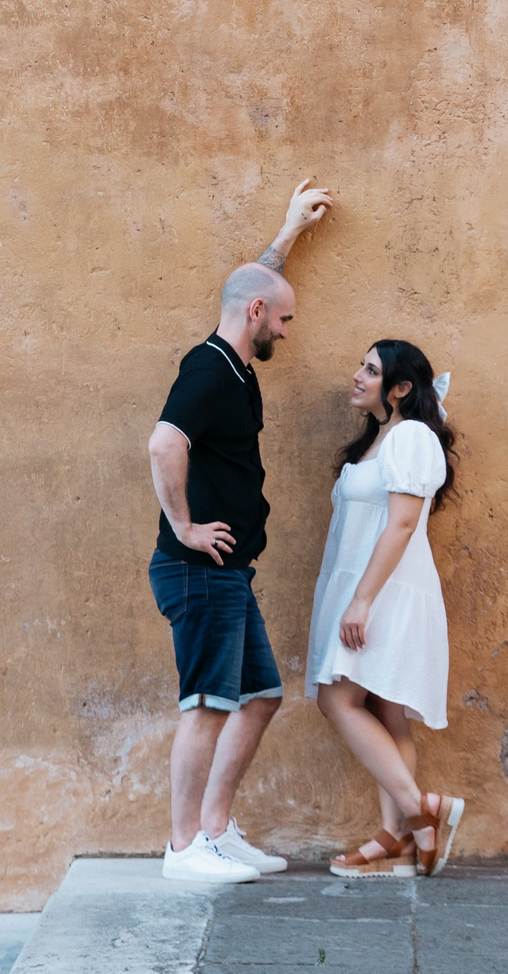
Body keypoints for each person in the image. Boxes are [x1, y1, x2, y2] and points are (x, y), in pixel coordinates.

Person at [146, 180, 334, 883]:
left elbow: (254, 279)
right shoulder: (209, 370)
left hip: (228, 573)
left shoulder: (232, 359)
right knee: (207, 704)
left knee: (259, 695)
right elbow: (164, 443)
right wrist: (185, 527)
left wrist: (288, 232)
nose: (285, 330)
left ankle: (216, 831)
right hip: (199, 570)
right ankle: (183, 846)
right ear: (256, 312)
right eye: (282, 319)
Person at [305, 338, 466, 877]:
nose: (357, 375)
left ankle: (421, 812)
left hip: (385, 592)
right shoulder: (378, 440)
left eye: (371, 370)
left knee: (337, 700)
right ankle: (394, 838)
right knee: (384, 709)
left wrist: (363, 601)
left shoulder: (412, 437)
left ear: (400, 389)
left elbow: (401, 525)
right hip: (366, 588)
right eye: (361, 365)